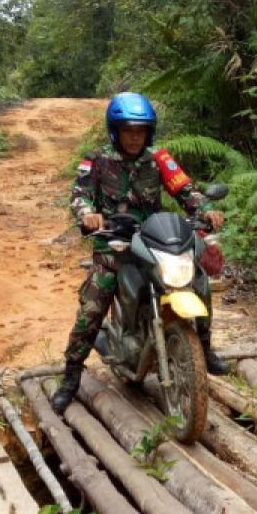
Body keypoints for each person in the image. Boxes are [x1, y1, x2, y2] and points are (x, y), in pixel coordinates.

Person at [51, 91, 227, 414]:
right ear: (115, 131)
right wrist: (87, 214)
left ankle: (203, 347)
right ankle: (71, 374)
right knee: (93, 305)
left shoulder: (158, 158)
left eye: (141, 130)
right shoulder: (97, 160)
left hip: (156, 240)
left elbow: (186, 190)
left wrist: (206, 209)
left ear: (149, 132)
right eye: (128, 130)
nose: (135, 137)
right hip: (115, 243)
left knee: (198, 281)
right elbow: (80, 195)